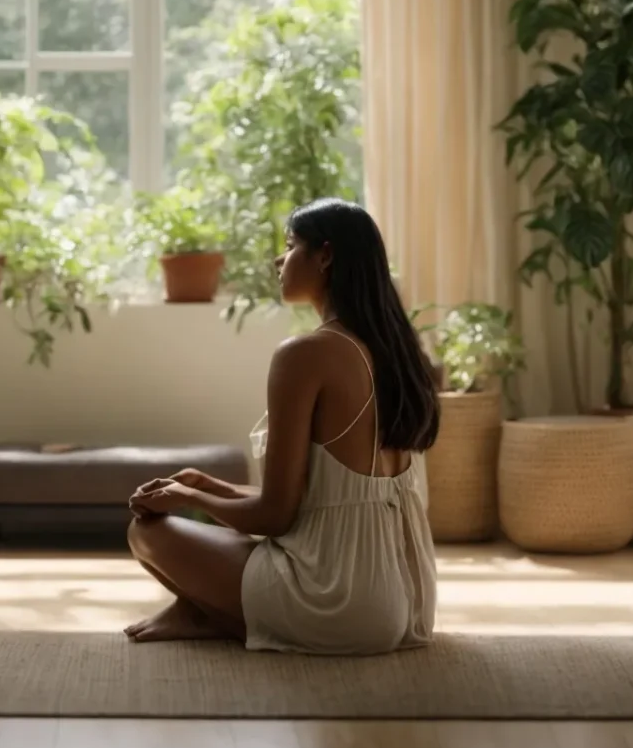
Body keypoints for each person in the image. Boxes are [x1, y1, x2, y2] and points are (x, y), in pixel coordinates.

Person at [124, 198, 439, 654]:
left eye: (290, 246)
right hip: (409, 604)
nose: (279, 259)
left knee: (146, 531)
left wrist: (188, 497)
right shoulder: (399, 353)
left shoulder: (306, 355)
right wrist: (211, 485)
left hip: (338, 604)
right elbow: (326, 501)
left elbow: (276, 516)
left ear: (325, 256)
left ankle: (210, 613)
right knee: (221, 529)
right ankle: (209, 612)